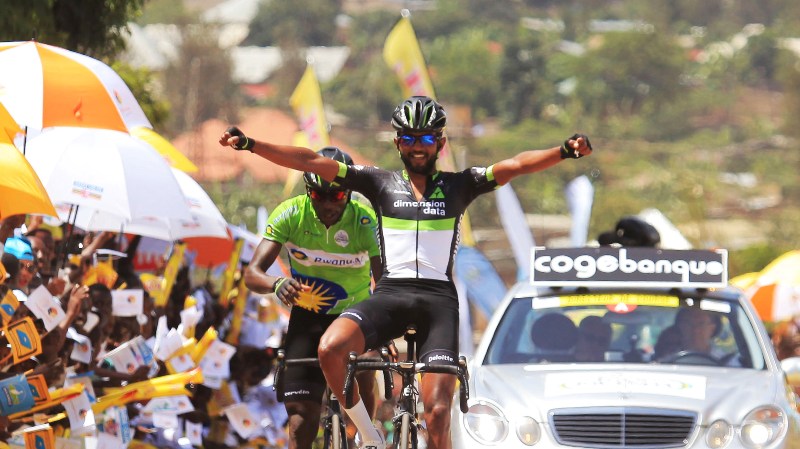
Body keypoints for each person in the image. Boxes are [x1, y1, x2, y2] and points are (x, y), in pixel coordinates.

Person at [220, 95, 593, 449]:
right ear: (398, 142)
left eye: (427, 138)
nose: (419, 146)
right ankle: (369, 437)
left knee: (438, 413)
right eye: (410, 138)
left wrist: (562, 151)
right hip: (389, 296)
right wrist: (251, 144)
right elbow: (309, 161)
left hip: (437, 304)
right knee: (330, 349)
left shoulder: (459, 185)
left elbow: (515, 165)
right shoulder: (379, 183)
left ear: (440, 143)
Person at [243, 147, 384, 449]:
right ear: (309, 191)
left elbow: (384, 280)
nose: (330, 204)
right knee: (300, 421)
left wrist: (386, 329)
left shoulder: (365, 220)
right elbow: (251, 274)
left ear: (349, 193)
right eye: (320, 196)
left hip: (355, 315)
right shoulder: (291, 213)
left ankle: (366, 436)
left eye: (338, 196)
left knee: (367, 365)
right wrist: (276, 282)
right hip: (309, 318)